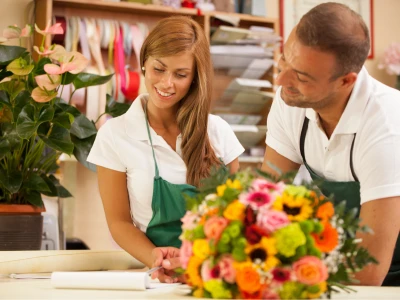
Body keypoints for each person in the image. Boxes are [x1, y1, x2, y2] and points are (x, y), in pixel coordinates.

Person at [87, 16, 244, 283]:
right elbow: (119, 223)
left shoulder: (217, 132)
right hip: (159, 275)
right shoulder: (114, 135)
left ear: (195, 78)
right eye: (159, 69)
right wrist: (157, 259)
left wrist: (199, 261)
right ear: (144, 62)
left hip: (215, 272)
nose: (166, 83)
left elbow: (237, 216)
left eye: (181, 74)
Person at [262, 2, 400, 286]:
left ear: (346, 81)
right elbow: (267, 200)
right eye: (284, 59)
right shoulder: (290, 99)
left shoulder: (386, 127)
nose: (281, 79)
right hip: (340, 267)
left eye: (301, 76)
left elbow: (369, 271)